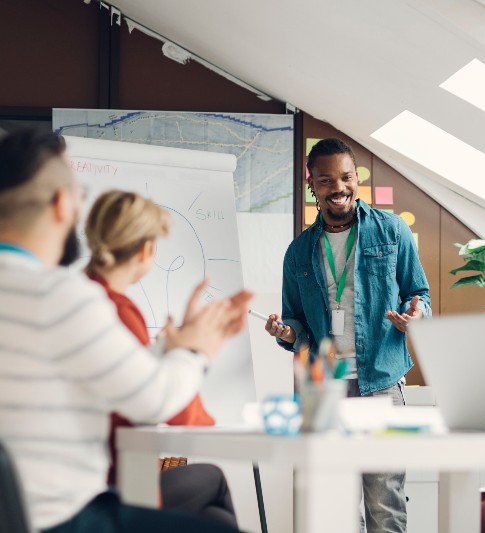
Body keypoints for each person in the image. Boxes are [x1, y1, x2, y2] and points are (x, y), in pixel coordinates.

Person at [0, 129, 251, 533]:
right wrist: (197, 351)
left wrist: (173, 344)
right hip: (62, 521)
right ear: (64, 204)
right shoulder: (62, 296)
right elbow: (153, 401)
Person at [265, 137, 431, 533]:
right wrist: (285, 332)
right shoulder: (298, 251)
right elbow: (297, 321)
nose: (338, 188)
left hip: (381, 382)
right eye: (326, 180)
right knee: (333, 507)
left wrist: (416, 314)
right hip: (324, 388)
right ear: (312, 186)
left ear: (356, 179)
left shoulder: (392, 231)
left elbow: (418, 293)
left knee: (385, 501)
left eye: (346, 177)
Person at [84, 189, 237, 527]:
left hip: (101, 474)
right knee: (213, 487)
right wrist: (193, 351)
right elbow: (158, 403)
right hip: (114, 483)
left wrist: (165, 350)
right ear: (146, 249)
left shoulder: (83, 295)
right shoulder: (117, 309)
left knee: (212, 508)